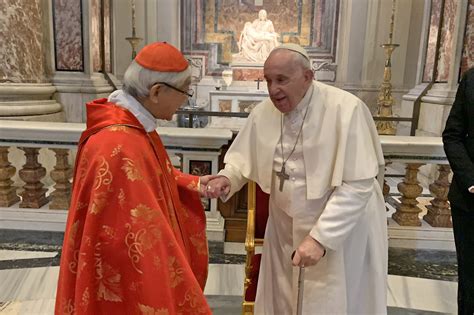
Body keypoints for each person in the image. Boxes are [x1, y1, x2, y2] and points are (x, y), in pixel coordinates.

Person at [207, 44, 388, 314]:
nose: (272, 89)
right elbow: (244, 158)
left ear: (308, 76)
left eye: (282, 80)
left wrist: (321, 239)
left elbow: (358, 184)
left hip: (340, 227)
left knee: (333, 298)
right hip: (284, 226)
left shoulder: (346, 110)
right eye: (268, 80)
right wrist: (228, 177)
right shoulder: (264, 112)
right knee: (283, 297)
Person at [55, 42, 215, 314]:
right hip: (124, 274)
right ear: (156, 92)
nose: (185, 99)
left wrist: (194, 184)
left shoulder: (132, 127)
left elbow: (150, 176)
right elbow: (128, 236)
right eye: (184, 91)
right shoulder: (118, 142)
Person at [442, 67, 474, 315]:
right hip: (469, 199)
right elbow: (453, 135)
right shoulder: (471, 78)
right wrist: (471, 179)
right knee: (469, 278)